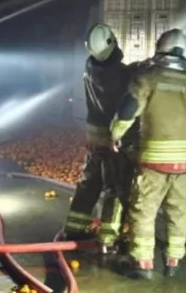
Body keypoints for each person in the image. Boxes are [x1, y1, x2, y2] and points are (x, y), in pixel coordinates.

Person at [110, 28, 186, 279]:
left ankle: (143, 264)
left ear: (159, 49)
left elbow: (127, 111)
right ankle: (173, 262)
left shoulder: (147, 79)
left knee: (143, 211)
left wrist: (115, 135)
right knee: (179, 213)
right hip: (185, 165)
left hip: (154, 163)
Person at [63, 24, 142, 254]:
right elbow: (127, 82)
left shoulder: (90, 68)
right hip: (114, 139)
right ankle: (109, 238)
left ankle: (74, 228)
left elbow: (115, 73)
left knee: (90, 182)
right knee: (116, 187)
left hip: (94, 136)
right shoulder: (120, 74)